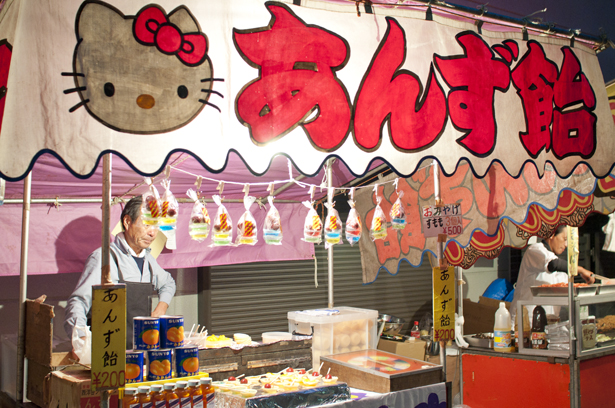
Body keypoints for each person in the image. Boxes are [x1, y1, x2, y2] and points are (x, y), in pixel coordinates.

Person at [64, 196, 176, 347]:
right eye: (147, 224)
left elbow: (168, 283)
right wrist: (81, 340)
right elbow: (78, 302)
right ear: (127, 221)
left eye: (156, 226)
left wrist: (161, 307)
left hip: (139, 351)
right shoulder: (104, 258)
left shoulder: (148, 260)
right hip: (109, 352)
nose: (152, 233)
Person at [510, 225, 595, 323]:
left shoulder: (562, 268)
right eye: (564, 239)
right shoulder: (535, 250)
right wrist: (581, 270)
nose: (566, 244)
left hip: (549, 324)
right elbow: (553, 264)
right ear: (552, 235)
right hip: (526, 321)